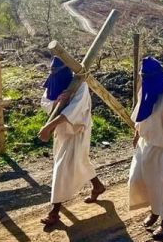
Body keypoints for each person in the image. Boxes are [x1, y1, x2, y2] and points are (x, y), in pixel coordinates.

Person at [37, 56, 106, 227]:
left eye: (56, 72)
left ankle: (54, 212)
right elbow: (46, 104)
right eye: (51, 72)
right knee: (80, 162)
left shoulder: (80, 86)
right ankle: (98, 186)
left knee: (61, 169)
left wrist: (47, 127)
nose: (53, 75)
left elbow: (72, 112)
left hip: (77, 131)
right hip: (61, 132)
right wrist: (59, 101)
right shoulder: (53, 83)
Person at [128, 56, 163, 239]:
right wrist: (137, 132)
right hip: (147, 143)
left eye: (147, 77)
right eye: (142, 76)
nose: (144, 79)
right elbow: (141, 109)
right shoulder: (147, 85)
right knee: (138, 179)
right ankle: (154, 210)